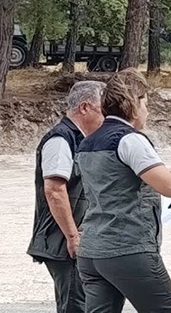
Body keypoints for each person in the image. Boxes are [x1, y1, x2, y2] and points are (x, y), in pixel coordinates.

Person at [75, 69, 171, 313]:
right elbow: (170, 186)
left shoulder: (87, 143)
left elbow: (128, 177)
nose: (148, 111)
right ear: (133, 103)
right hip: (127, 248)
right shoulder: (130, 139)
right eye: (146, 104)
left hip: (91, 250)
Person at [27, 81, 105, 313]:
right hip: (65, 243)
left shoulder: (79, 139)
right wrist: (73, 236)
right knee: (75, 306)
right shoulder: (60, 140)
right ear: (84, 108)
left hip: (72, 240)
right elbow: (54, 191)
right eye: (103, 110)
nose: (106, 117)